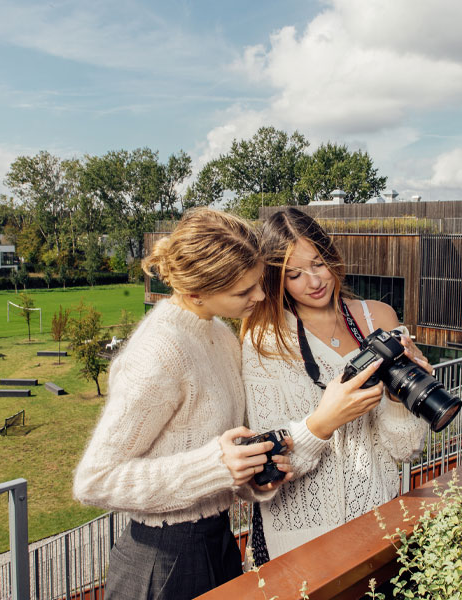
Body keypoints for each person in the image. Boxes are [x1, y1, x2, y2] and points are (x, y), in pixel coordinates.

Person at [73, 208, 293, 600]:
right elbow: (95, 480)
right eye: (244, 291)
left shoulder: (221, 338)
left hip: (219, 544)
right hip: (161, 563)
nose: (260, 296)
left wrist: (253, 473)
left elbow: (218, 455)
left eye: (258, 283)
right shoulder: (159, 350)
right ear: (195, 293)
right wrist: (213, 466)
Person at [241, 207, 431, 561]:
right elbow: (268, 467)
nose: (313, 282)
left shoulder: (379, 317)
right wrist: (325, 421)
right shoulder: (264, 338)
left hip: (379, 524)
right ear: (275, 279)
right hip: (301, 542)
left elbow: (405, 449)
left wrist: (396, 396)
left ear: (331, 255)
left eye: (318, 263)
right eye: (294, 274)